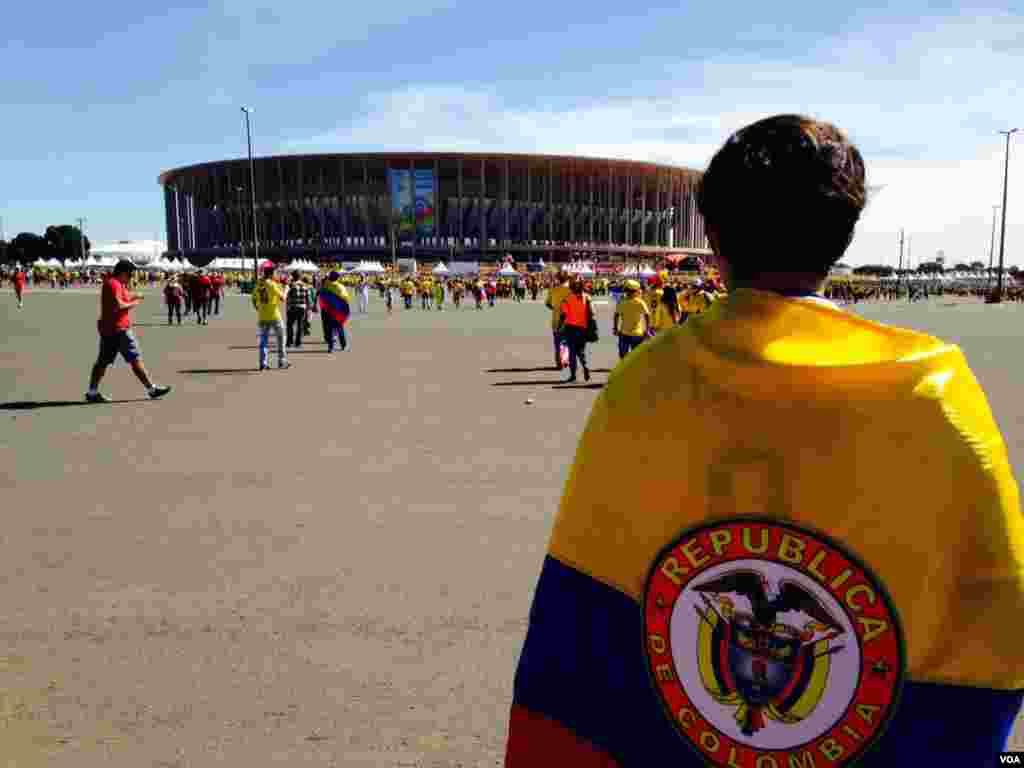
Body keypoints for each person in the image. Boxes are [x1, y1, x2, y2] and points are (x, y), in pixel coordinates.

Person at [505, 115, 1024, 766]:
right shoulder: (933, 398)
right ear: (842, 234)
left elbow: (585, 623)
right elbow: (985, 606)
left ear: (715, 238)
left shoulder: (646, 385)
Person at [85, 260, 171, 403]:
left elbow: (124, 296)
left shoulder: (116, 284)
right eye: (130, 273)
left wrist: (136, 295)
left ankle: (92, 392)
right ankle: (151, 389)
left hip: (108, 328)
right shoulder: (114, 284)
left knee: (102, 361)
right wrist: (134, 304)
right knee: (134, 358)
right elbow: (120, 305)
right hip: (119, 329)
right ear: (124, 272)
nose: (132, 276)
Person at [252, 264, 289, 370]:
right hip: (274, 315)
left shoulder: (259, 283)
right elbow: (283, 298)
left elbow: (253, 299)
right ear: (272, 274)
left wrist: (259, 308)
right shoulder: (271, 284)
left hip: (262, 316)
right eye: (275, 273)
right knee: (281, 338)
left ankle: (263, 363)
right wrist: (286, 288)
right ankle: (282, 361)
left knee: (263, 341)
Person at [556, 278, 593, 383]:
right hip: (583, 328)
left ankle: (573, 376)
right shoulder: (587, 297)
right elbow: (591, 314)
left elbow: (563, 315)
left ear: (572, 287)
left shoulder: (568, 299)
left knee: (572, 352)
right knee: (581, 350)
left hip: (570, 328)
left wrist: (559, 327)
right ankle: (585, 366)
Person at [612, 279, 649, 359]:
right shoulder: (640, 302)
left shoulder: (622, 302)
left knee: (623, 355)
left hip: (624, 332)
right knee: (636, 356)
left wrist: (615, 328)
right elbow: (647, 315)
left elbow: (616, 315)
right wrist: (647, 329)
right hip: (638, 333)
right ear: (636, 291)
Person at [318, 271, 351, 353]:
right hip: (338, 312)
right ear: (337, 278)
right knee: (339, 328)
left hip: (328, 311)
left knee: (329, 329)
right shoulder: (340, 287)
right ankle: (343, 346)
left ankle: (331, 347)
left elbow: (321, 298)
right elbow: (345, 299)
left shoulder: (325, 286)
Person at [544, 270, 572, 369]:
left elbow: (547, 303)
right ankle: (564, 359)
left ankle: (558, 361)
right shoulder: (570, 289)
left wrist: (555, 308)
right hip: (569, 319)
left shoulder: (553, 289)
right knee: (567, 341)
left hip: (555, 318)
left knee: (557, 341)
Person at [286, 271, 311, 348]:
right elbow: (308, 298)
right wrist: (308, 307)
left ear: (293, 276)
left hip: (293, 306)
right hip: (302, 307)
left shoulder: (291, 285)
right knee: (300, 325)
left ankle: (289, 342)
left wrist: (288, 306)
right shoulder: (305, 286)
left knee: (290, 325)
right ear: (300, 277)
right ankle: (298, 342)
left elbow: (287, 296)